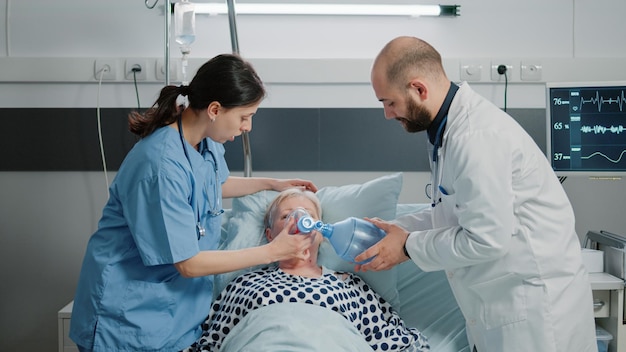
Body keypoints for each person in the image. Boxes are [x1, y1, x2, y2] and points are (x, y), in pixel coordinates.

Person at [355, 36, 597, 352]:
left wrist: (408, 247)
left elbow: (487, 238)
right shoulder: (447, 131)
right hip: (502, 308)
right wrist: (398, 228)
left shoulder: (476, 138)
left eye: (388, 102)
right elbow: (453, 211)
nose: (387, 114)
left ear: (419, 90)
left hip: (536, 312)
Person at [69, 54, 319, 352]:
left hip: (177, 316)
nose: (247, 127)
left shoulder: (205, 143)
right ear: (215, 109)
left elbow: (212, 184)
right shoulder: (159, 164)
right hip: (127, 318)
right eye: (244, 117)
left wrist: (272, 184)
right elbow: (187, 263)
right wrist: (271, 252)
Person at [186, 188, 430, 352]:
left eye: (308, 215)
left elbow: (393, 342)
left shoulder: (349, 285)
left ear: (322, 233)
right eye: (286, 216)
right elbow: (212, 342)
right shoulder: (244, 284)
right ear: (270, 234)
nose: (298, 219)